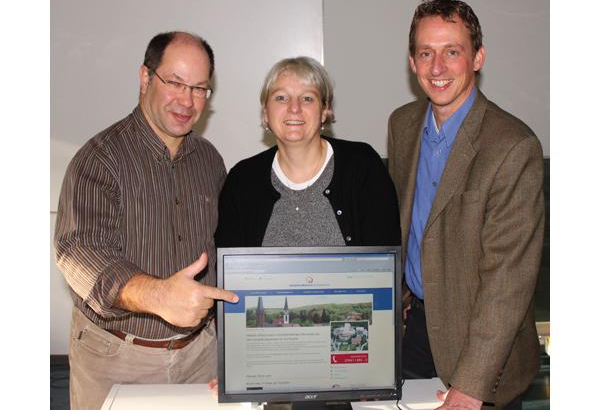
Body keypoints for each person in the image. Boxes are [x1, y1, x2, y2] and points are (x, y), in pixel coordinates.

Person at [54, 31, 239, 410]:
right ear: (145, 77)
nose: (187, 101)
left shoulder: (210, 161)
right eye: (175, 83)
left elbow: (223, 253)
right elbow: (80, 253)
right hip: (117, 358)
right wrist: (159, 295)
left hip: (199, 357)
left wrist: (233, 349)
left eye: (200, 88)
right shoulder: (99, 159)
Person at [387, 0, 544, 410]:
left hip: (485, 350)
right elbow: (404, 226)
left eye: (451, 52)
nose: (437, 68)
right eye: (426, 53)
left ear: (477, 57)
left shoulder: (513, 146)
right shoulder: (402, 126)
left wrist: (472, 386)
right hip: (415, 334)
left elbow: (507, 282)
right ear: (412, 61)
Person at [215, 56, 401, 249]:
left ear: (324, 111)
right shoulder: (242, 180)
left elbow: (384, 266)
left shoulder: (363, 167)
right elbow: (231, 271)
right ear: (265, 112)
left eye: (307, 98)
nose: (294, 108)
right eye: (281, 98)